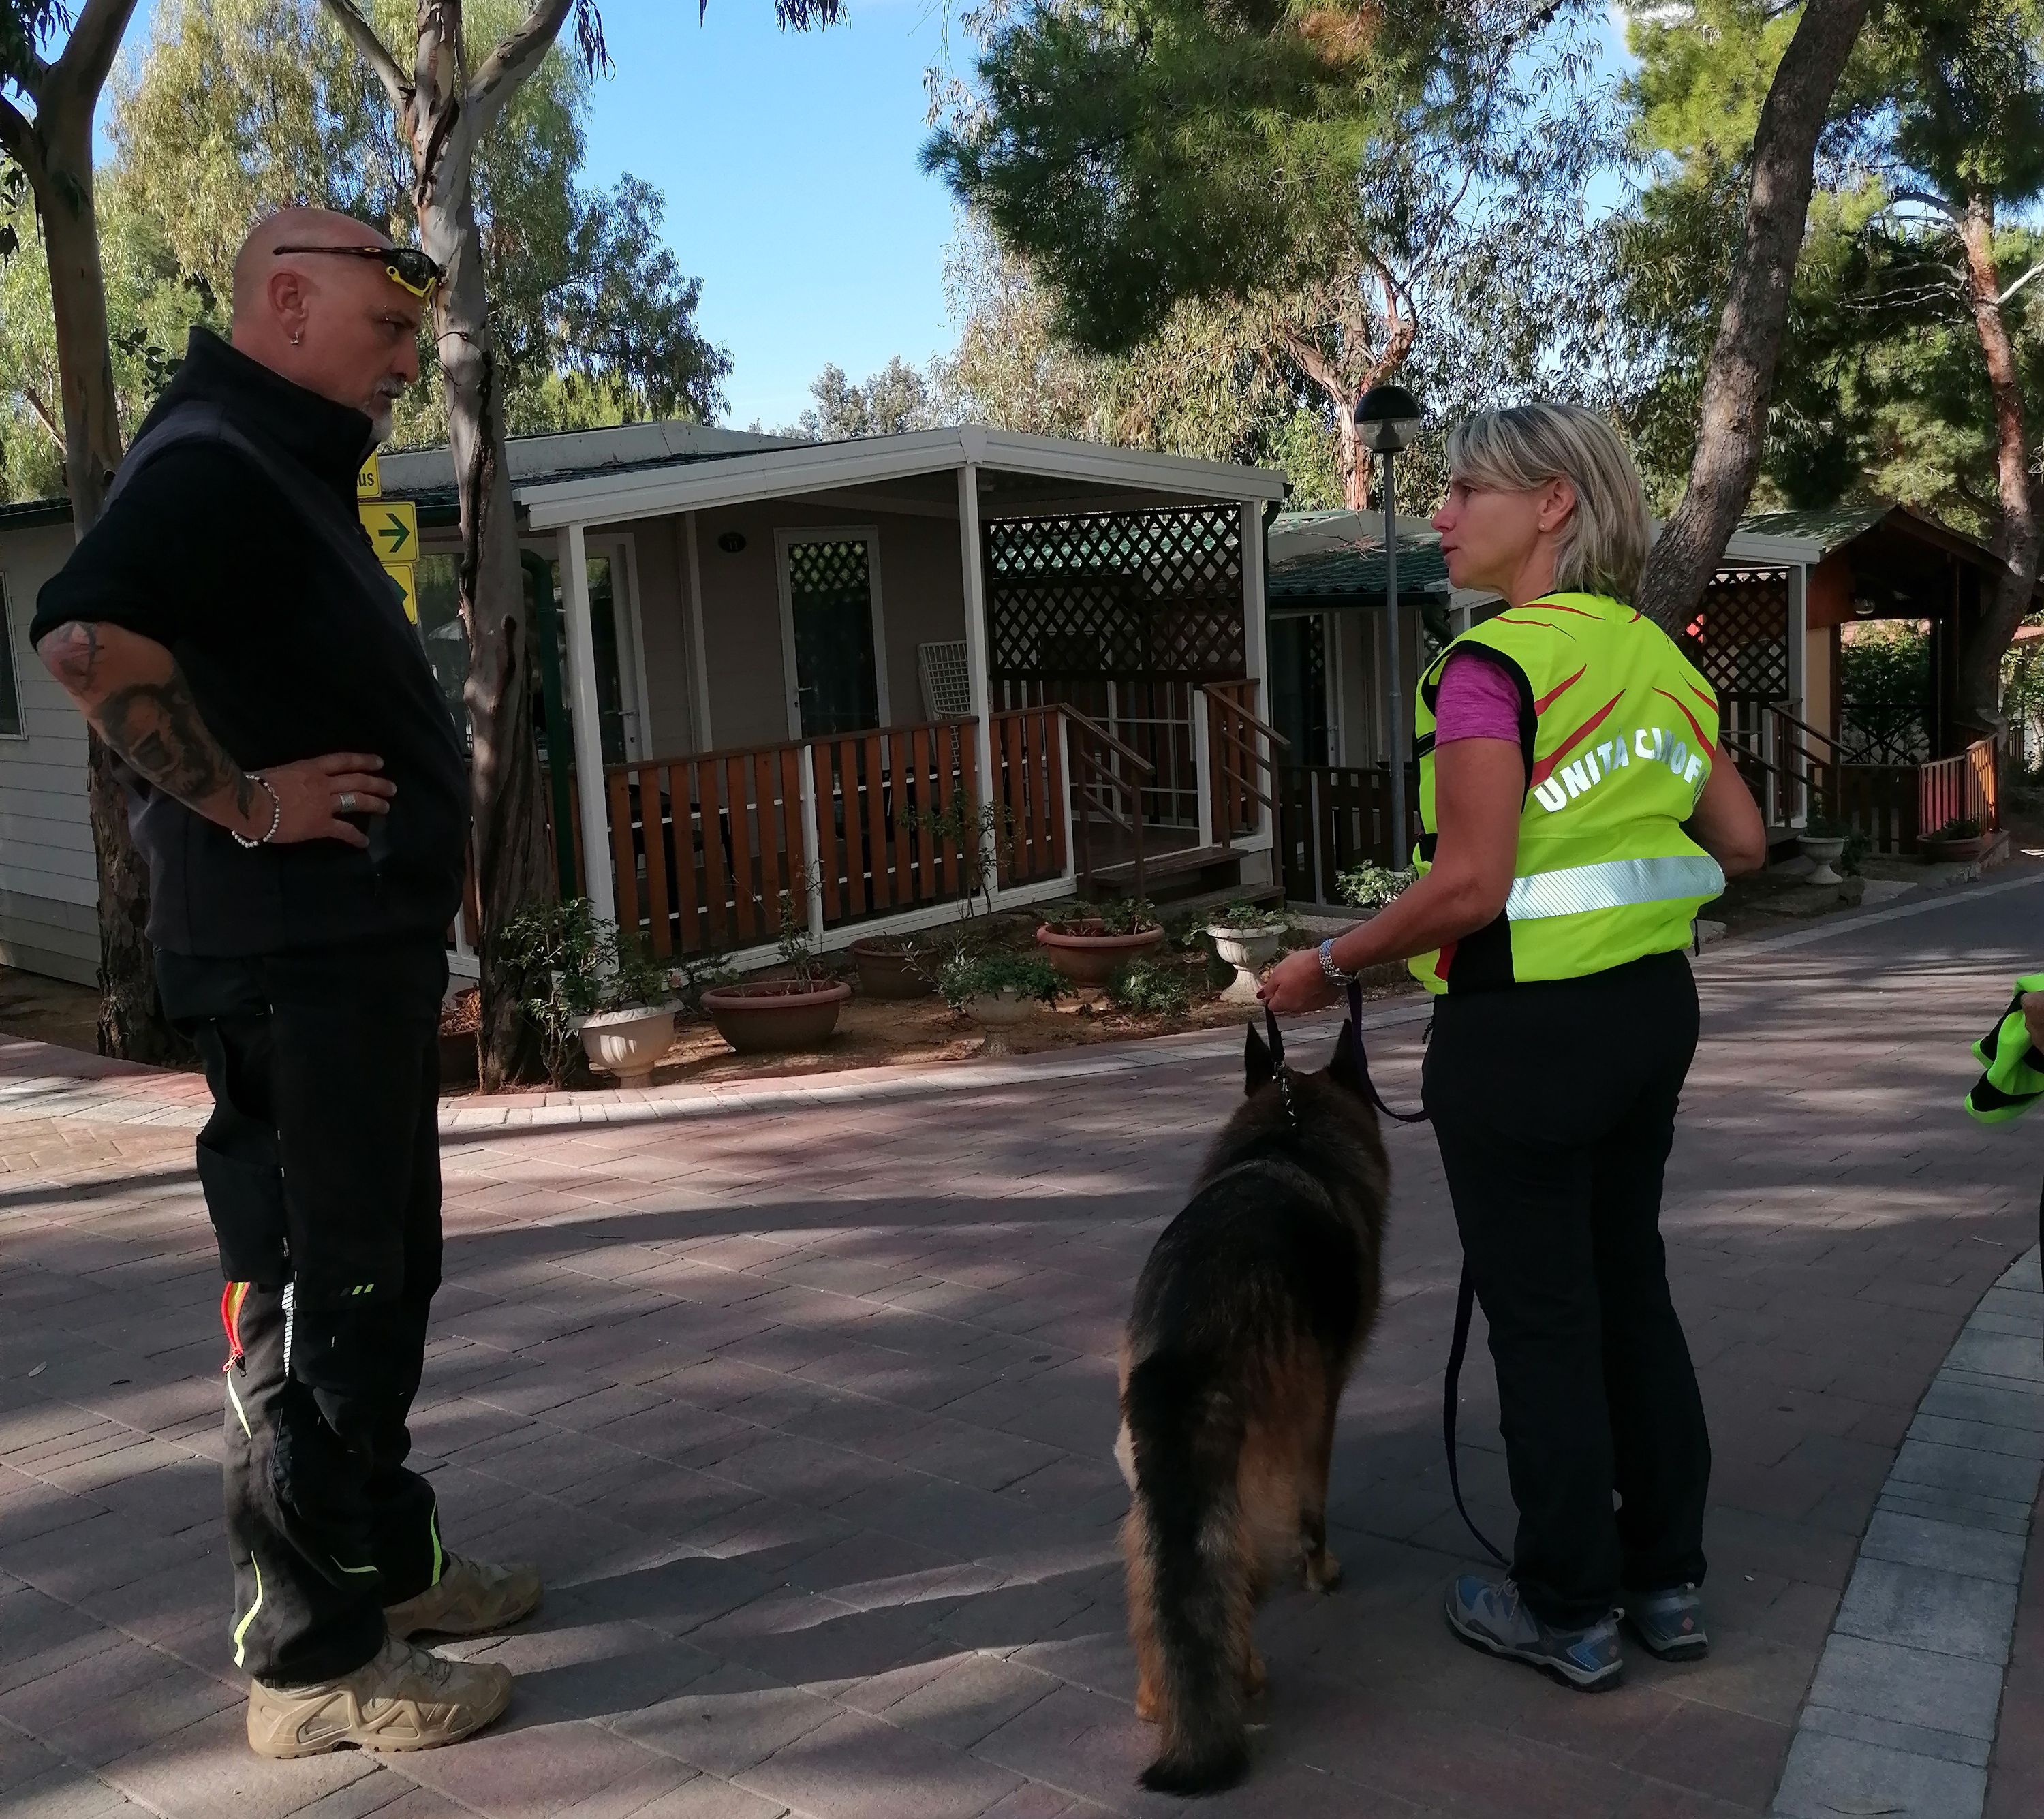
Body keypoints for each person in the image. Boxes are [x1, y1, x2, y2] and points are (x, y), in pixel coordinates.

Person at [33, 209, 538, 1757]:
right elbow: (82, 640)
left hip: (349, 964)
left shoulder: (284, 463)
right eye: (389, 334)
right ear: (292, 302)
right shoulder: (212, 458)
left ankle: (387, 1565)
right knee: (318, 1300)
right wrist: (251, 803)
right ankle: (310, 1663)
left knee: (382, 1284)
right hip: (284, 966)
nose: (404, 366)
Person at [1262, 402, 1767, 1690]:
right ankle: (1666, 1582)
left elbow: (1471, 884)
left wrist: (1329, 964)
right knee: (1630, 1287)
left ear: (1553, 505)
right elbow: (1744, 841)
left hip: (1523, 1038)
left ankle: (1568, 1608)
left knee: (1543, 1320)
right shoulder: (1655, 658)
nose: (1440, 514)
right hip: (1649, 1018)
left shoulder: (1490, 668)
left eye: (1465, 490)